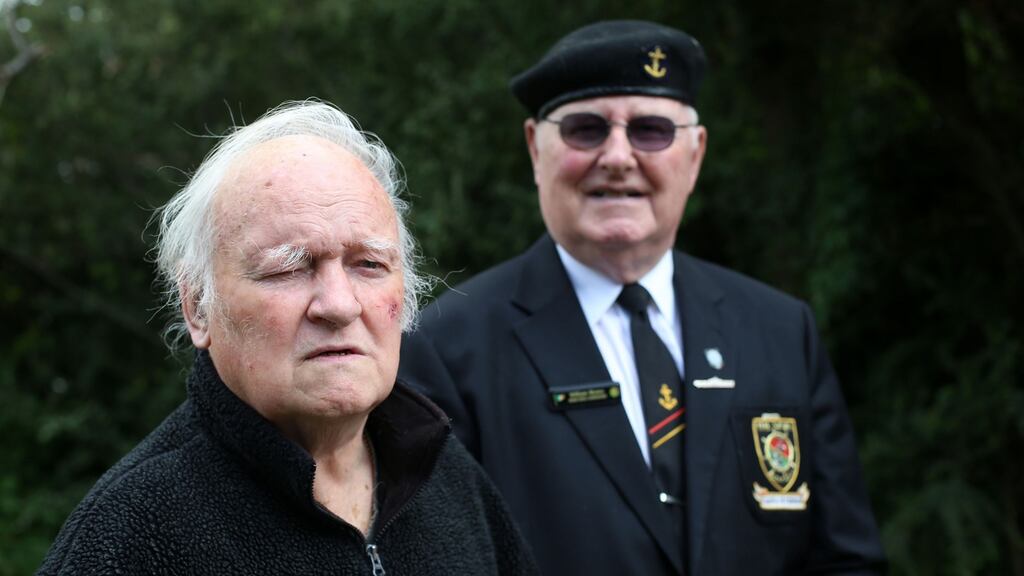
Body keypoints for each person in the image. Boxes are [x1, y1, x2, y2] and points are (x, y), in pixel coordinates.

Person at [399, 20, 886, 575]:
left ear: (696, 152)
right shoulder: (448, 347)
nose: (618, 156)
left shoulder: (780, 330)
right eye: (586, 129)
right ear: (536, 147)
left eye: (651, 130)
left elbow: (846, 561)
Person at [37, 100, 538, 575]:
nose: (339, 305)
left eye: (368, 265)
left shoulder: (449, 479)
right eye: (289, 269)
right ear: (198, 309)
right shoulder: (130, 533)